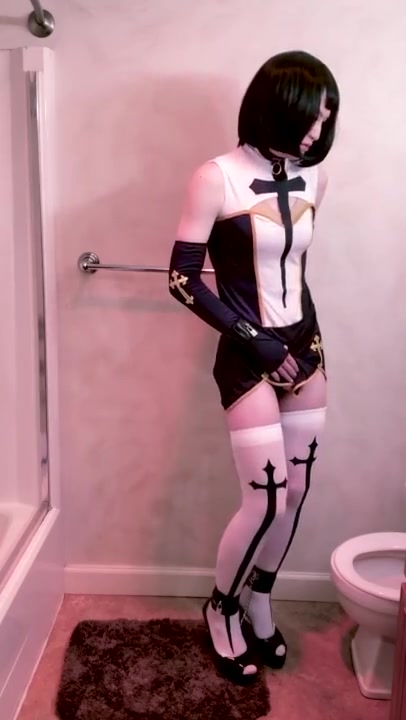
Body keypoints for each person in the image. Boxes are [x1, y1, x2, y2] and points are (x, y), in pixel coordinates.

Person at [168, 50, 340, 685]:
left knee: (295, 491)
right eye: (311, 117)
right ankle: (221, 607)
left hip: (306, 346)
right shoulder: (216, 176)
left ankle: (259, 599)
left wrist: (294, 344)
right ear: (277, 105)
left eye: (327, 120)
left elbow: (292, 270)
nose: (318, 132)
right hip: (247, 353)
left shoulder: (316, 179)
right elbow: (183, 279)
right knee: (265, 498)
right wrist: (256, 340)